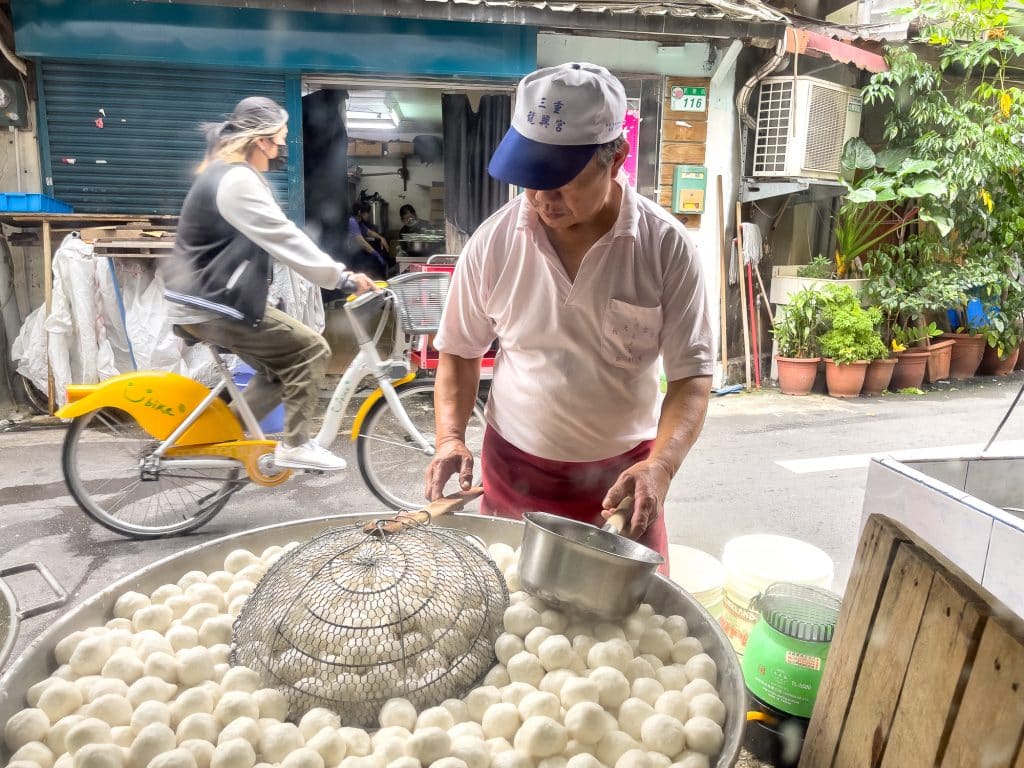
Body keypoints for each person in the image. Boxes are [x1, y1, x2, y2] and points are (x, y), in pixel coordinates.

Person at [423, 63, 713, 569]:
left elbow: (691, 379)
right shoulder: (493, 244)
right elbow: (460, 352)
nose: (541, 198)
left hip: (623, 482)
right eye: (531, 179)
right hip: (514, 472)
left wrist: (660, 467)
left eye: (561, 182)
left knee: (630, 624)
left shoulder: (665, 247)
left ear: (616, 156)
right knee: (515, 617)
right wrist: (449, 437)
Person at [162, 96, 377, 472]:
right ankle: (295, 444)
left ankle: (224, 438)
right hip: (213, 302)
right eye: (280, 138)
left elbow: (271, 237)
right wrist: (340, 277)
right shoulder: (236, 179)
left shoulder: (228, 173)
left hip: (207, 297)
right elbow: (282, 236)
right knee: (310, 350)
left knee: (278, 368)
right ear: (261, 140)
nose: (282, 148)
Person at [348, 201, 395, 277]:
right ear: (360, 212)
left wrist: (381, 238)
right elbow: (361, 242)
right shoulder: (352, 221)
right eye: (367, 212)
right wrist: (376, 254)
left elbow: (369, 232)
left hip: (354, 253)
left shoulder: (359, 222)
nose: (368, 215)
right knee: (372, 262)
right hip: (349, 255)